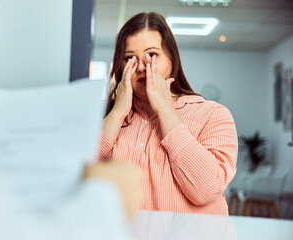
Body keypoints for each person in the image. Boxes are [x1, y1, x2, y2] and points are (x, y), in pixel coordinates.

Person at [97, 12, 238, 215]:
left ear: (172, 58)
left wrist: (164, 109)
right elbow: (73, 178)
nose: (143, 67)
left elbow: (206, 190)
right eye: (130, 58)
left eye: (152, 55)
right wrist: (118, 112)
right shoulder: (105, 116)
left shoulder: (213, 115)